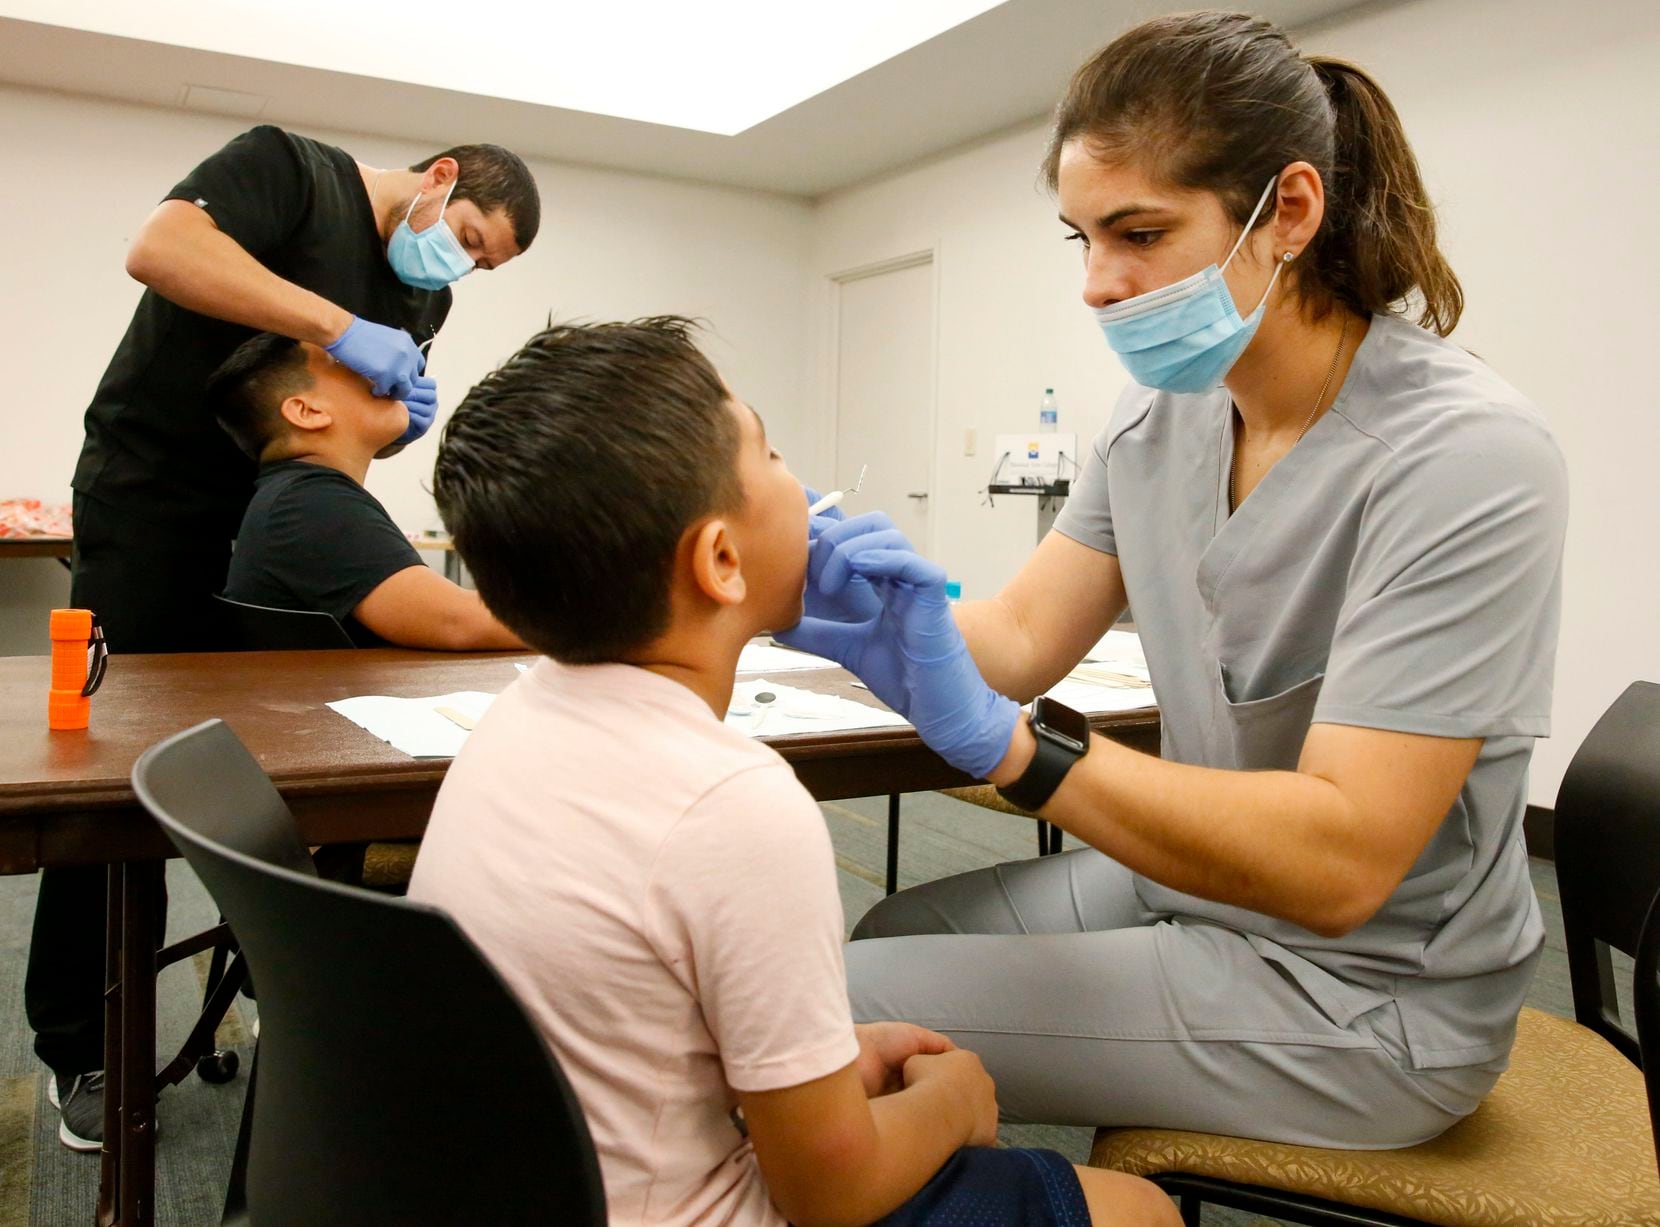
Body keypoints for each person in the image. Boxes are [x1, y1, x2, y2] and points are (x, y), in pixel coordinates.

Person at [780, 11, 1568, 1150]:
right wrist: (879, 610)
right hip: (1200, 890)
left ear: (1287, 211)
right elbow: (1019, 638)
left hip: (1366, 989)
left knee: (839, 1016)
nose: (1099, 286)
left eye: (1139, 232)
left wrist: (1022, 753)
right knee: (890, 925)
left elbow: (1341, 861)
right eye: (1081, 239)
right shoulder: (1161, 415)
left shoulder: (1465, 457)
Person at [408, 317, 1179, 1227]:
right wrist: (958, 1099)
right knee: (1138, 1208)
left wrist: (825, 1054)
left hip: (535, 1180)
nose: (804, 484)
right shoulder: (738, 805)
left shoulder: (518, 716)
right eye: (771, 453)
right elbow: (830, 1193)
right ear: (721, 560)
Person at [35, 123, 539, 1150]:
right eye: (472, 237)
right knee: (105, 776)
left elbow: (355, 413)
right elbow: (160, 250)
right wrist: (340, 324)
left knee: (280, 758)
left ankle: (286, 971)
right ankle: (78, 1044)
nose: (462, 270)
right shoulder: (288, 175)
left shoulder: (424, 297)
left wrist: (401, 407)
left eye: (484, 268)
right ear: (442, 179)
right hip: (156, 501)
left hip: (275, 507)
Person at [208, 332, 524, 649]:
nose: (383, 374)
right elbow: (457, 621)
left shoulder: (297, 495)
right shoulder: (311, 504)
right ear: (308, 411)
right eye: (345, 362)